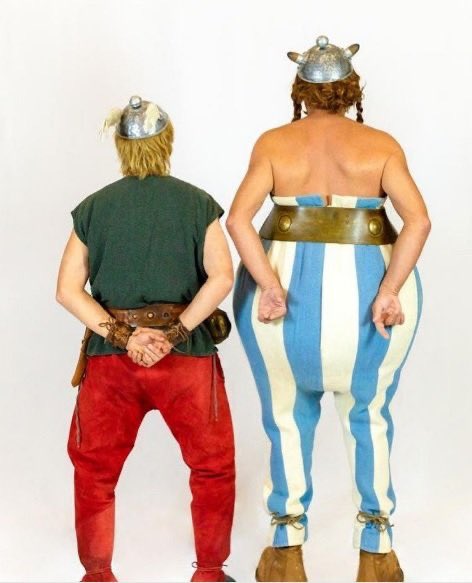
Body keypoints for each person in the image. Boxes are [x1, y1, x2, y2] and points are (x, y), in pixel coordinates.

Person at [227, 36, 431, 582]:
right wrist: (388, 290)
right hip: (371, 310)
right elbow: (418, 221)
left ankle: (285, 552)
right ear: (351, 90)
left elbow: (238, 220)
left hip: (280, 314)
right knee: (370, 416)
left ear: (301, 90)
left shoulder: (274, 143)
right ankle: (377, 554)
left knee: (285, 417)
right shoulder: (380, 145)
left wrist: (269, 284)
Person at [56, 96, 235, 583]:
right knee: (212, 467)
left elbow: (67, 289)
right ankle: (210, 574)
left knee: (94, 472)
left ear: (121, 146)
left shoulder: (93, 208)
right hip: (187, 360)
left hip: (111, 363)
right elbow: (222, 276)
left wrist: (124, 336)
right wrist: (175, 334)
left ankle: (97, 575)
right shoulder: (197, 203)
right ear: (167, 141)